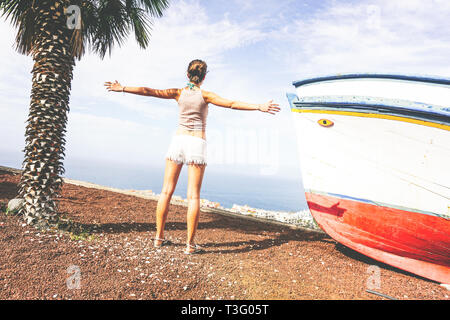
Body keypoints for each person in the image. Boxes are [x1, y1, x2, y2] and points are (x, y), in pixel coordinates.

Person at [104, 59, 280, 254]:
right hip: (196, 143)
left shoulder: (177, 92)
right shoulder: (206, 95)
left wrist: (122, 88)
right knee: (193, 196)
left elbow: (149, 91)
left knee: (165, 192)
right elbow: (231, 104)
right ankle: (189, 245)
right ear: (203, 78)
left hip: (177, 141)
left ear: (187, 75)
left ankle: (159, 238)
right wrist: (258, 106)